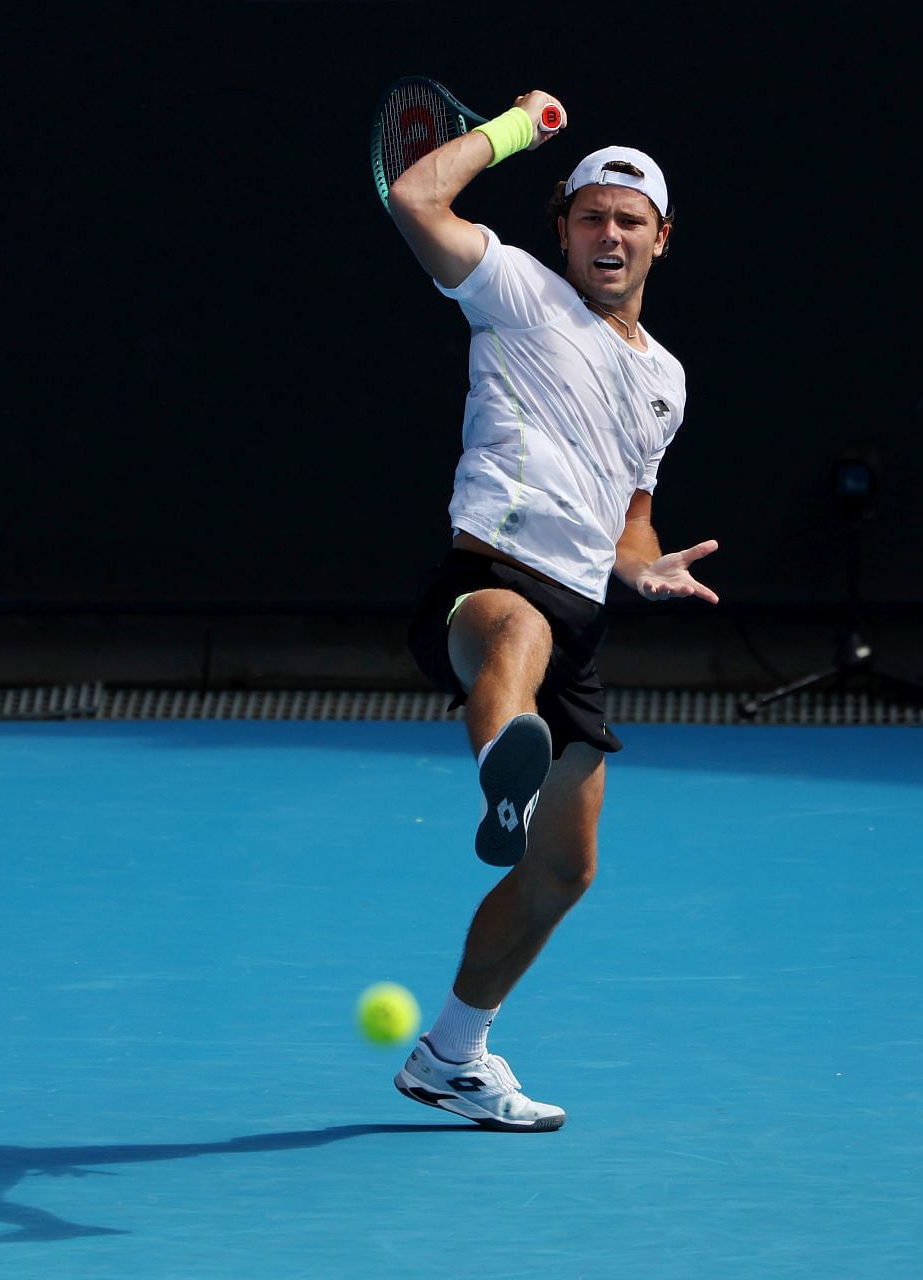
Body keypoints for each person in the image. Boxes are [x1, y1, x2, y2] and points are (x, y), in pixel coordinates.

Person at [385, 91, 719, 1131]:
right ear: (560, 230)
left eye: (629, 219)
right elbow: (413, 195)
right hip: (487, 580)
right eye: (589, 216)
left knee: (565, 869)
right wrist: (520, 126)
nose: (607, 234)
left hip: (581, 615)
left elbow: (630, 516)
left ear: (661, 239)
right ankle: (502, 770)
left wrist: (646, 565)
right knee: (515, 635)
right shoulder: (516, 292)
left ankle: (450, 1050)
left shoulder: (662, 377)